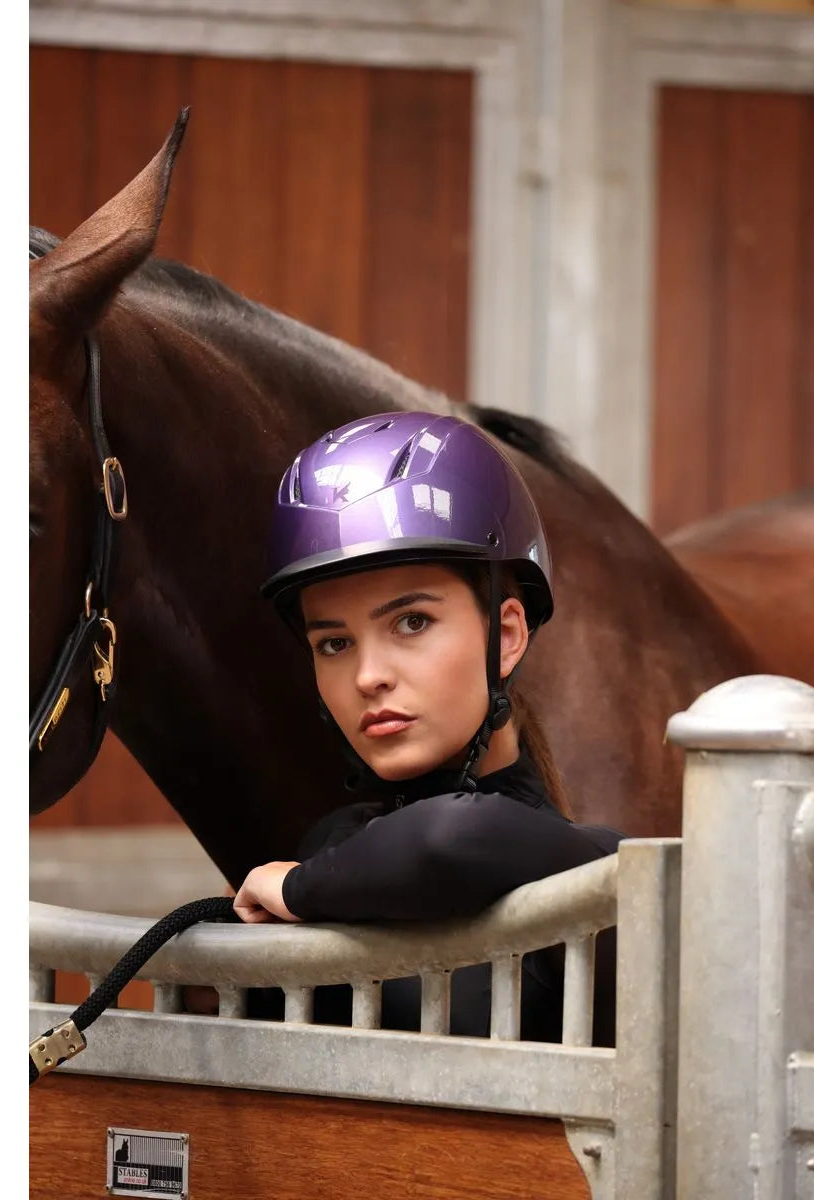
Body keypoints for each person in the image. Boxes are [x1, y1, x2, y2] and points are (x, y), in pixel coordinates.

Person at [233, 411, 625, 1044]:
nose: (367, 676)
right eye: (333, 643)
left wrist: (298, 887)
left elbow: (452, 836)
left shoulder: (589, 867)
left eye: (411, 622)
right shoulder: (335, 845)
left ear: (506, 636)